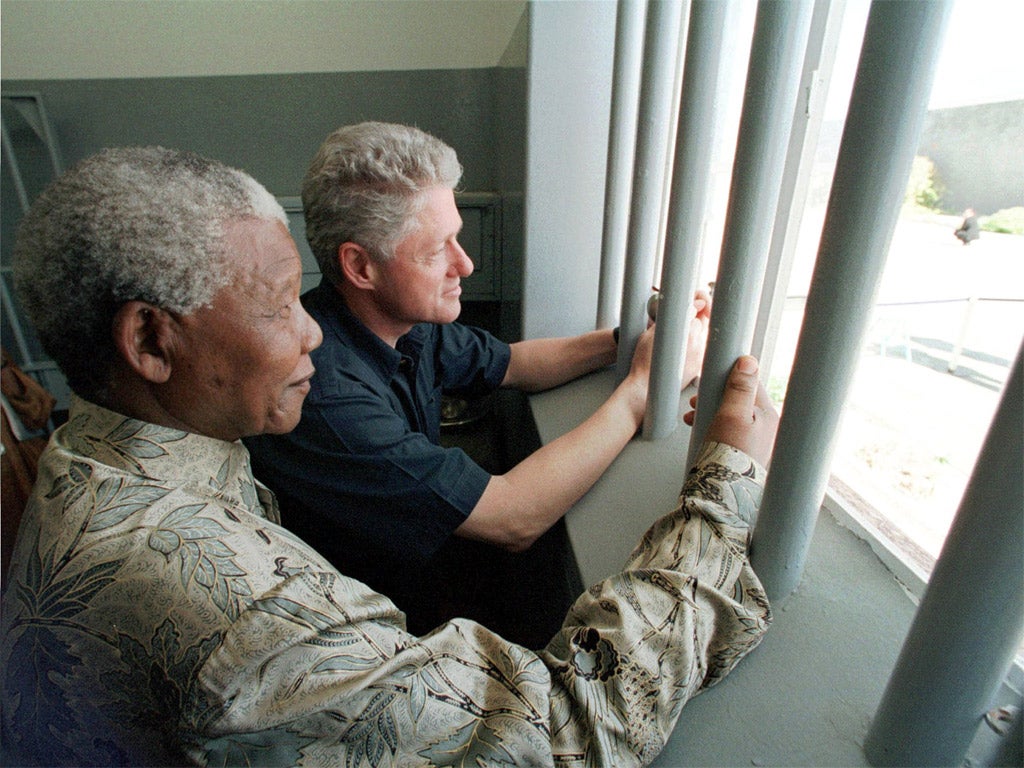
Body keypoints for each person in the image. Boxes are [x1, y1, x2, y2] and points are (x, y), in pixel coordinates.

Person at [1, 145, 777, 767]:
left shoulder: (99, 453)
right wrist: (727, 480)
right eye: (276, 307)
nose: (307, 332)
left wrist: (638, 344)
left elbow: (502, 362)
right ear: (148, 341)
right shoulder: (234, 607)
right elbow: (563, 734)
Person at [245, 122, 712, 641]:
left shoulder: (401, 322)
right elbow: (514, 518)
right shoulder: (326, 398)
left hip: (423, 574)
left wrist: (630, 340)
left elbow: (512, 363)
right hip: (378, 631)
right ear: (360, 266)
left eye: (458, 239)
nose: (465, 264)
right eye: (435, 251)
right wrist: (640, 393)